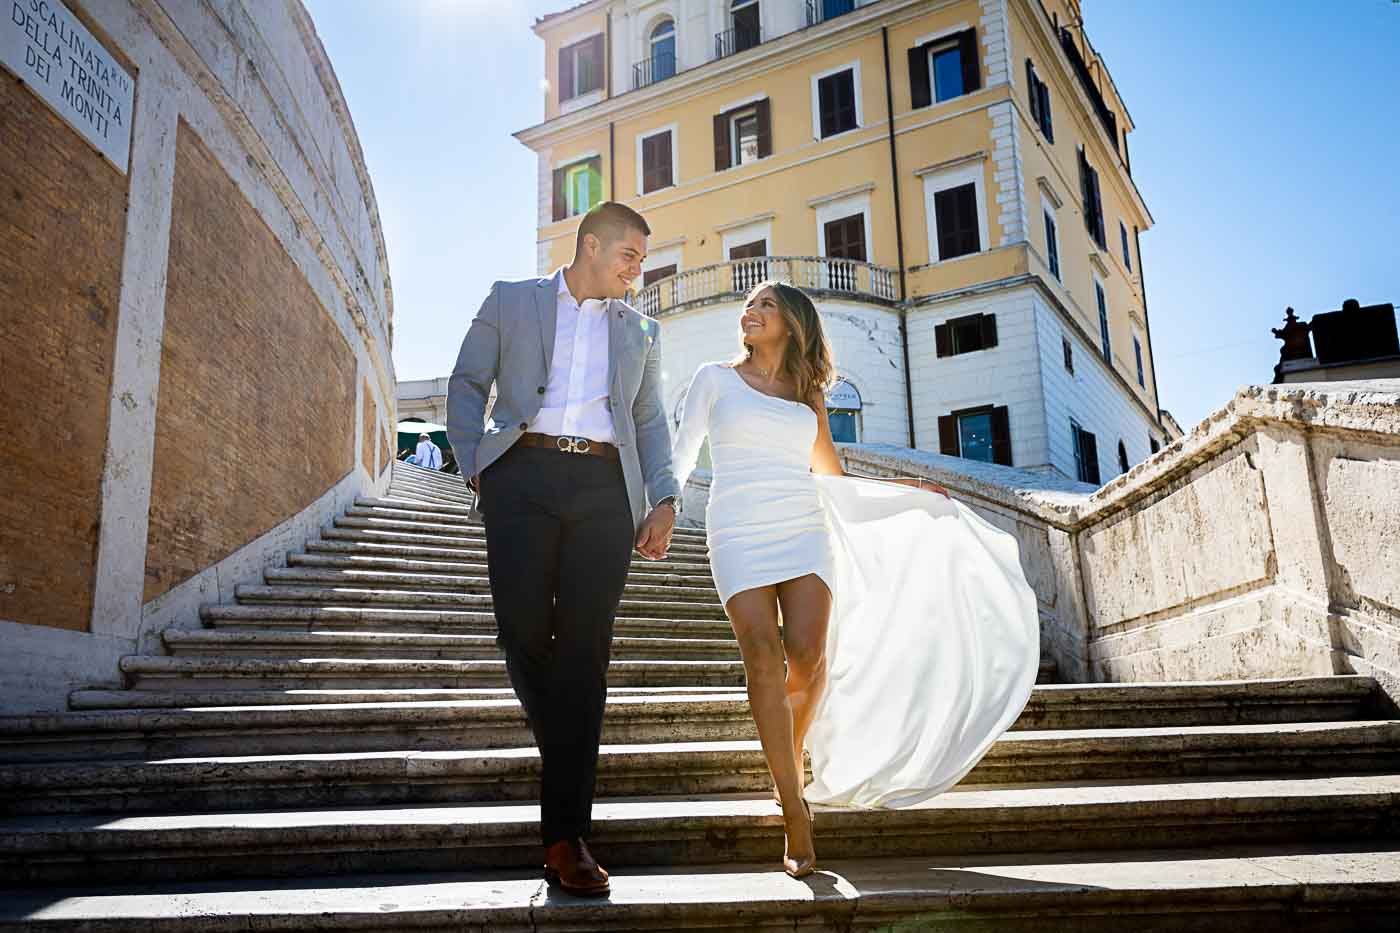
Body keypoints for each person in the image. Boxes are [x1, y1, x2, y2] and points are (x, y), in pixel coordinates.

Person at [671, 281, 1040, 878]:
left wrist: (910, 492)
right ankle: (794, 807)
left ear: (792, 323)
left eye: (765, 305)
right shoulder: (713, 379)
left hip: (804, 524)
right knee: (763, 658)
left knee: (810, 660)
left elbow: (833, 475)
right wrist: (662, 504)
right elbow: (683, 453)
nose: (751, 311)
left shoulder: (807, 395)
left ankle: (788, 754)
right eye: (749, 305)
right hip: (737, 528)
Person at [446, 201, 679, 898]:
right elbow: (466, 382)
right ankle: (570, 761)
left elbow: (650, 419)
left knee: (585, 651)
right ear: (590, 244)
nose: (638, 270)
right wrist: (475, 460)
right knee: (520, 630)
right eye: (630, 255)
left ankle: (565, 836)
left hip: (605, 487)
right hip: (522, 472)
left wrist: (663, 498)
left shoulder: (641, 331)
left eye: (642, 259)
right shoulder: (511, 299)